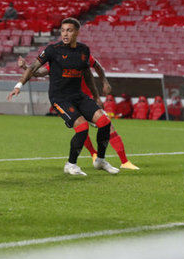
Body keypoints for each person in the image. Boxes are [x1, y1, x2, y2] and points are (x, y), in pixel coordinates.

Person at [9, 18, 119, 176]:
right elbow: (34, 68)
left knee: (105, 122)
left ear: (77, 32)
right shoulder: (53, 50)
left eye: (69, 30)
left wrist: (96, 96)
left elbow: (88, 75)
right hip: (60, 98)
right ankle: (71, 164)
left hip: (78, 96)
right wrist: (19, 85)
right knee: (82, 127)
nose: (65, 34)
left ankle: (100, 161)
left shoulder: (84, 50)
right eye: (63, 30)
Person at [18, 54, 138, 170]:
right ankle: (93, 154)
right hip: (69, 102)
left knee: (107, 125)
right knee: (82, 128)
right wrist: (26, 67)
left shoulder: (84, 55)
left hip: (86, 99)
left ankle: (124, 161)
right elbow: (40, 72)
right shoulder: (59, 59)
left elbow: (97, 67)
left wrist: (104, 83)